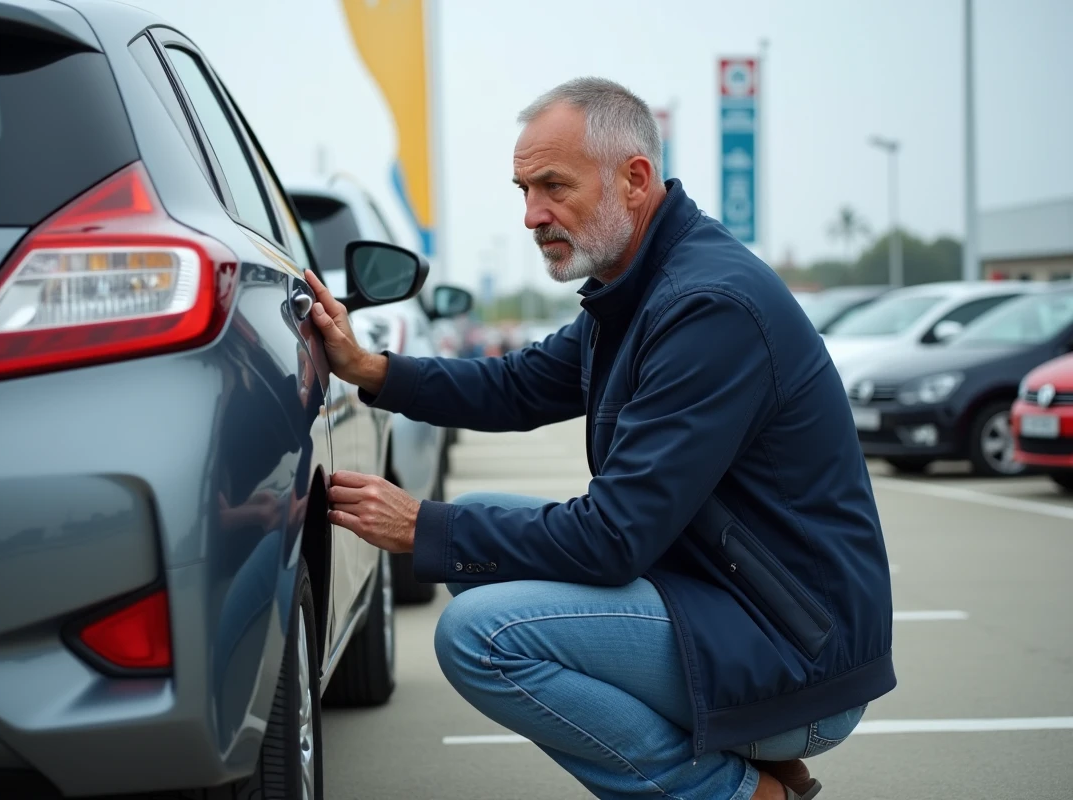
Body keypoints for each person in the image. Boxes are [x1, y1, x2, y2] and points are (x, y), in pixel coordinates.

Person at [303, 77, 895, 800]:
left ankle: (738, 792)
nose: (532, 214)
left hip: (793, 651)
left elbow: (615, 537)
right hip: (727, 604)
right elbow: (517, 385)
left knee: (478, 634)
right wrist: (371, 369)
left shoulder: (707, 308)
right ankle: (751, 763)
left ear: (635, 179)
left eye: (552, 186)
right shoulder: (638, 287)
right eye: (523, 190)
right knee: (476, 554)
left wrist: (424, 523)